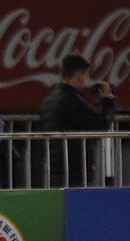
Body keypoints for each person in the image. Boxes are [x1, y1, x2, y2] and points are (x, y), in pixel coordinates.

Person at [39, 54, 116, 187]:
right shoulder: (71, 100)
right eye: (86, 75)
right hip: (74, 169)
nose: (86, 80)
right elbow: (99, 126)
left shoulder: (49, 101)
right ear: (79, 74)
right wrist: (107, 101)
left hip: (55, 168)